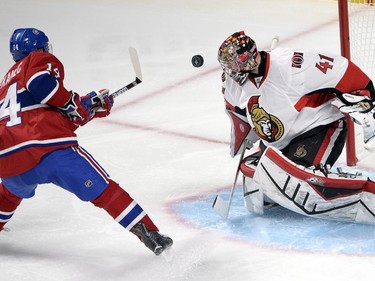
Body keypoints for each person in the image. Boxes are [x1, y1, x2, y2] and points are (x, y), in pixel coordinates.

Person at [0, 28, 173, 256]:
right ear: (39, 48)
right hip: (50, 151)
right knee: (106, 192)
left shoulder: (5, 86)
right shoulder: (38, 60)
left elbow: (39, 114)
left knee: (9, 194)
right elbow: (41, 86)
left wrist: (86, 107)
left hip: (9, 161)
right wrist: (73, 103)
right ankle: (151, 235)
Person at [215, 31, 375, 223]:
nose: (229, 71)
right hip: (278, 141)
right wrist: (243, 135)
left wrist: (364, 100)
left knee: (298, 181)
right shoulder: (231, 82)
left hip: (317, 128)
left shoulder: (292, 65)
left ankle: (357, 193)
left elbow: (341, 68)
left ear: (246, 61)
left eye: (232, 65)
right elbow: (236, 110)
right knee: (268, 188)